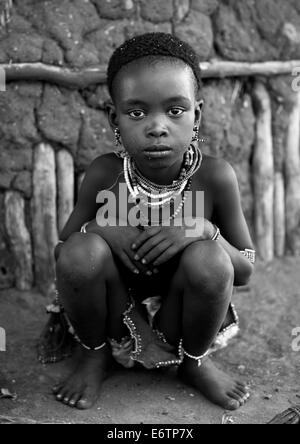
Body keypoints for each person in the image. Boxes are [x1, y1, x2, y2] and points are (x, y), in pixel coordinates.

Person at [39, 32, 255, 411]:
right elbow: (65, 250)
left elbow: (246, 268)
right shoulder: (105, 175)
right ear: (114, 118)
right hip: (115, 317)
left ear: (197, 115)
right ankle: (94, 355)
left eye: (175, 110)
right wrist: (101, 227)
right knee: (81, 253)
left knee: (211, 260)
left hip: (181, 317)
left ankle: (195, 362)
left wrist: (203, 230)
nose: (157, 126)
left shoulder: (215, 179)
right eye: (137, 112)